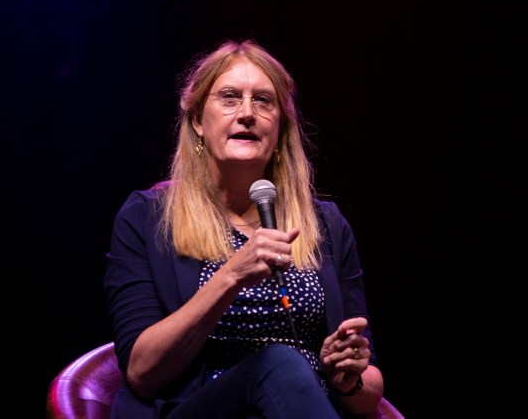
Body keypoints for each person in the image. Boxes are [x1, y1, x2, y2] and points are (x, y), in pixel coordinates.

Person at [104, 39, 384, 419]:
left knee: (287, 369)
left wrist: (347, 377)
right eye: (230, 97)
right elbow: (141, 373)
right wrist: (231, 275)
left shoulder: (326, 225)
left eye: (264, 101)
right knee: (280, 362)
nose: (247, 113)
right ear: (198, 122)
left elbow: (369, 394)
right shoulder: (147, 218)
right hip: (200, 409)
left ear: (281, 130)